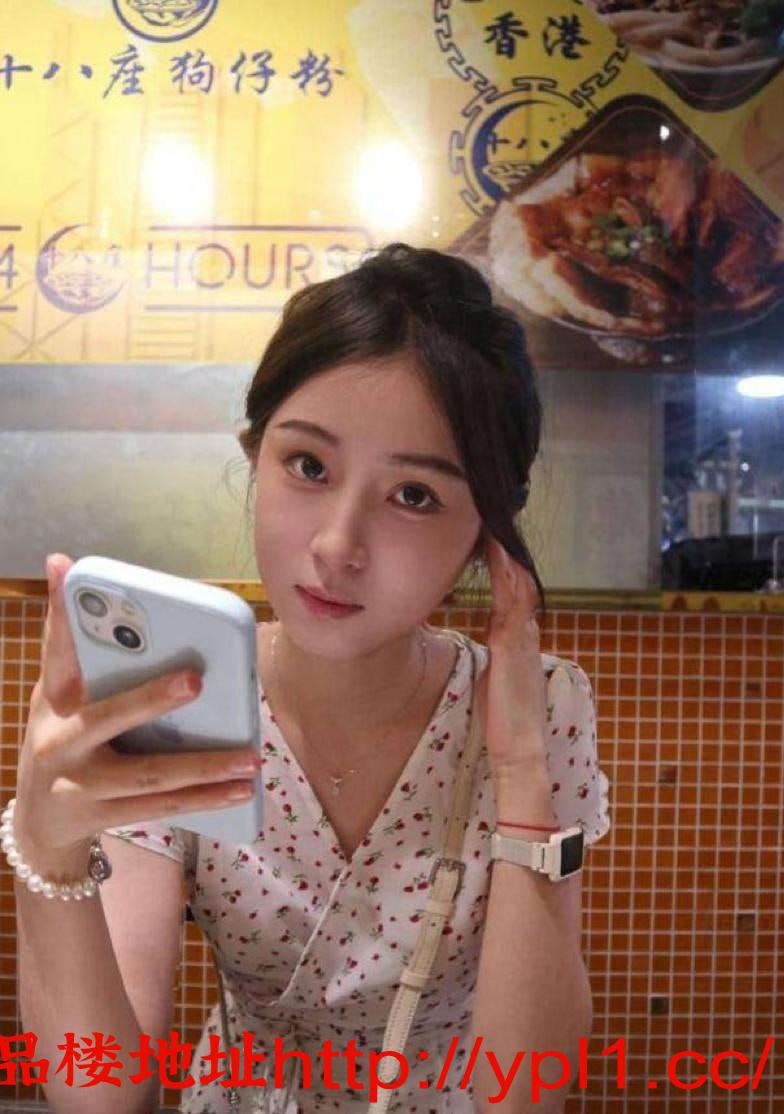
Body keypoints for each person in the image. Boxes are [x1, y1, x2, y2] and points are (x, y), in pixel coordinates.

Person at [12, 243, 610, 1114]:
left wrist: (519, 765)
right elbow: (102, 1097)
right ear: (256, 456)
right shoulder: (179, 692)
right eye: (308, 466)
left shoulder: (543, 706)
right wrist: (47, 846)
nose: (336, 546)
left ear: (485, 534)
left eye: (414, 495)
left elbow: (523, 1096)